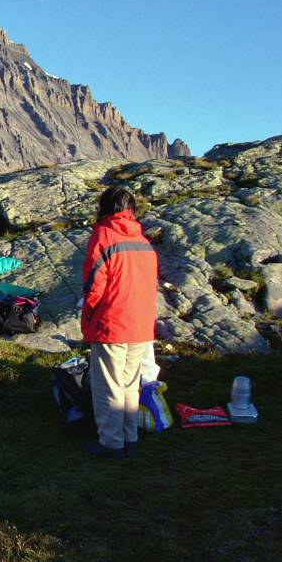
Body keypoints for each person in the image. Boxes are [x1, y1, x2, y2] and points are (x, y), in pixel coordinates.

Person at [81, 186, 158, 459]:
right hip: (141, 324)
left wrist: (90, 312)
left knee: (109, 386)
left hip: (112, 323)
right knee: (129, 384)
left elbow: (94, 285)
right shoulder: (143, 241)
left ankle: (111, 443)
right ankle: (130, 437)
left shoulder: (103, 236)